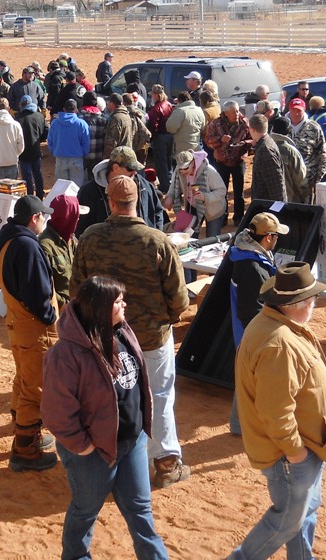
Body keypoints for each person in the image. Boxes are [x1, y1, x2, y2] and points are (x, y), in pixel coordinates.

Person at [72, 175, 190, 489]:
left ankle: (107, 463)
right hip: (151, 337)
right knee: (160, 397)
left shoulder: (90, 238)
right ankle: (165, 463)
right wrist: (167, 318)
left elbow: (77, 290)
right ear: (136, 200)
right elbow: (179, 297)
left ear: (109, 202)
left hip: (104, 338)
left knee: (106, 399)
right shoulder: (157, 240)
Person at [41, 275, 169, 560]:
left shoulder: (122, 331)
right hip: (93, 450)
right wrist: (84, 448)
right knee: (86, 509)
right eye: (118, 301)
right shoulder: (65, 354)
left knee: (140, 510)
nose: (125, 304)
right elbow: (56, 412)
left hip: (131, 441)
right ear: (99, 308)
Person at [229, 262, 326, 560]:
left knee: (305, 512)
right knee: (286, 522)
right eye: (311, 300)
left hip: (303, 447)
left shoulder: (278, 326)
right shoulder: (279, 344)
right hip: (291, 454)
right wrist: (296, 454)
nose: (314, 305)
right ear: (294, 304)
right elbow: (276, 411)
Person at [0, 194, 59, 472]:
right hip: (35, 327)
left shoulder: (4, 235)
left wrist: (9, 289)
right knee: (35, 389)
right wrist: (51, 318)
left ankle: (20, 422)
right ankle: (26, 447)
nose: (46, 221)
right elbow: (40, 296)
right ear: (34, 218)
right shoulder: (28, 246)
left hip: (16, 320)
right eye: (44, 217)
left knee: (24, 376)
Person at [227, 212, 287, 435]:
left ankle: (239, 424)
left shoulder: (248, 255)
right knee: (253, 378)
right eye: (276, 236)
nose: (277, 240)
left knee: (248, 378)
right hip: (251, 332)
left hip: (248, 331)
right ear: (268, 237)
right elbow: (250, 309)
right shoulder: (252, 267)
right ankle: (242, 425)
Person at [77, 146, 165, 235]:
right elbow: (81, 226)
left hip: (142, 245)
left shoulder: (144, 186)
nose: (135, 172)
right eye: (130, 169)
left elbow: (157, 211)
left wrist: (155, 235)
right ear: (115, 167)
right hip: (104, 247)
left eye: (136, 169)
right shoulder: (89, 192)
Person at [206, 100, 253, 226]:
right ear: (226, 113)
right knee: (222, 191)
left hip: (238, 161)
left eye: (237, 111)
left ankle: (239, 218)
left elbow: (252, 139)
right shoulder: (216, 124)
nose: (237, 114)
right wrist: (220, 139)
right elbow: (208, 140)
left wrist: (245, 144)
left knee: (239, 192)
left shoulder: (245, 123)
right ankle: (223, 217)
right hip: (222, 162)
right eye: (233, 112)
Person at [164, 149, 227, 239]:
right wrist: (170, 196)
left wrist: (206, 197)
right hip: (193, 206)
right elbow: (173, 186)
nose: (183, 171)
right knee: (190, 237)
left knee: (212, 239)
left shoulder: (209, 171)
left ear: (193, 163)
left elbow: (221, 190)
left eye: (186, 168)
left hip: (214, 208)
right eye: (181, 169)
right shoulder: (178, 172)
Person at [38, 194, 85, 312]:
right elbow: (43, 286)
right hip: (59, 313)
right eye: (76, 216)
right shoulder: (45, 246)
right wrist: (65, 306)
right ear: (69, 219)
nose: (78, 219)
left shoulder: (72, 241)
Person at [287, 98, 326, 202]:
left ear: (304, 110)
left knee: (307, 211)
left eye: (299, 111)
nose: (296, 114)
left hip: (307, 180)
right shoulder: (282, 126)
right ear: (289, 110)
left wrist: (318, 177)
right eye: (294, 110)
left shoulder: (314, 128)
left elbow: (322, 153)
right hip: (287, 180)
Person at [47, 98, 90, 187]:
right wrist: (82, 153)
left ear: (64, 109)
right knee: (76, 188)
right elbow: (86, 143)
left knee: (61, 188)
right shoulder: (81, 124)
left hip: (60, 159)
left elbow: (50, 141)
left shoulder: (55, 123)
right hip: (76, 159)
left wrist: (54, 151)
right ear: (76, 110)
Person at [248, 114, 287, 204]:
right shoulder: (267, 142)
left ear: (252, 130)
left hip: (267, 205)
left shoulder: (265, 151)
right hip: (265, 202)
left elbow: (276, 184)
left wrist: (278, 208)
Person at [146, 84, 175, 193]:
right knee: (168, 161)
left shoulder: (156, 108)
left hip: (160, 137)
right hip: (169, 136)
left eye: (153, 94)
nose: (151, 96)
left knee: (161, 163)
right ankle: (171, 184)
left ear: (157, 95)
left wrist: (151, 137)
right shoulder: (168, 104)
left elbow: (153, 125)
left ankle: (165, 187)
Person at [17, 96, 47, 198]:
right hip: (36, 150)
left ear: (22, 105)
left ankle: (30, 196)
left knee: (26, 176)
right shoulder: (39, 116)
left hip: (23, 152)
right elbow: (46, 131)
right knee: (37, 174)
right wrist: (40, 139)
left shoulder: (18, 118)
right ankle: (39, 195)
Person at [165, 90, 204, 157]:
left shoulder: (180, 111)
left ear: (179, 101)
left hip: (182, 149)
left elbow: (170, 128)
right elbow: (202, 127)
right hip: (196, 148)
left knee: (182, 166)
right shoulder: (199, 110)